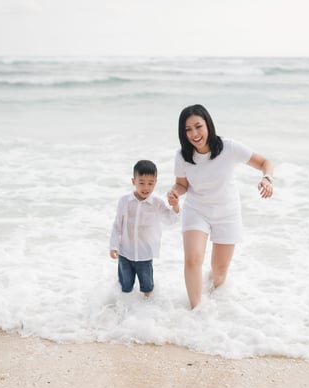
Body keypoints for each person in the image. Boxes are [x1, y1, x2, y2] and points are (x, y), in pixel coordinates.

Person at [167, 104, 274, 309]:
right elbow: (182, 185)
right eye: (188, 129)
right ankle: (196, 310)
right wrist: (175, 194)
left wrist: (267, 179)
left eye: (198, 126)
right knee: (192, 259)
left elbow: (264, 162)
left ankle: (216, 300)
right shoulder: (182, 156)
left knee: (219, 271)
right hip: (196, 210)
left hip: (227, 212)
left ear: (208, 124)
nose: (194, 134)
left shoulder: (229, 147)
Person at [110, 159, 179, 297]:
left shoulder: (157, 203)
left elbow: (170, 219)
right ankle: (124, 310)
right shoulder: (124, 201)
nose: (146, 187)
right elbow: (117, 225)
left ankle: (146, 311)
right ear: (133, 181)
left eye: (150, 183)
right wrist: (114, 246)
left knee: (147, 288)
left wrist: (175, 206)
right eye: (141, 182)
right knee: (125, 287)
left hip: (145, 255)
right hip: (125, 253)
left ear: (155, 183)